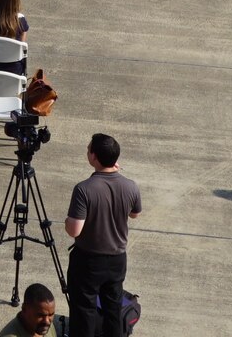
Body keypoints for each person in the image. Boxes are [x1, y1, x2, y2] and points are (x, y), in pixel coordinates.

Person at [64, 134, 142, 337]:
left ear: (94, 157)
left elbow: (74, 230)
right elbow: (134, 214)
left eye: (89, 149)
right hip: (117, 260)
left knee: (84, 311)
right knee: (112, 308)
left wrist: (67, 222)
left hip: (88, 261)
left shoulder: (84, 189)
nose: (87, 151)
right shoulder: (130, 186)